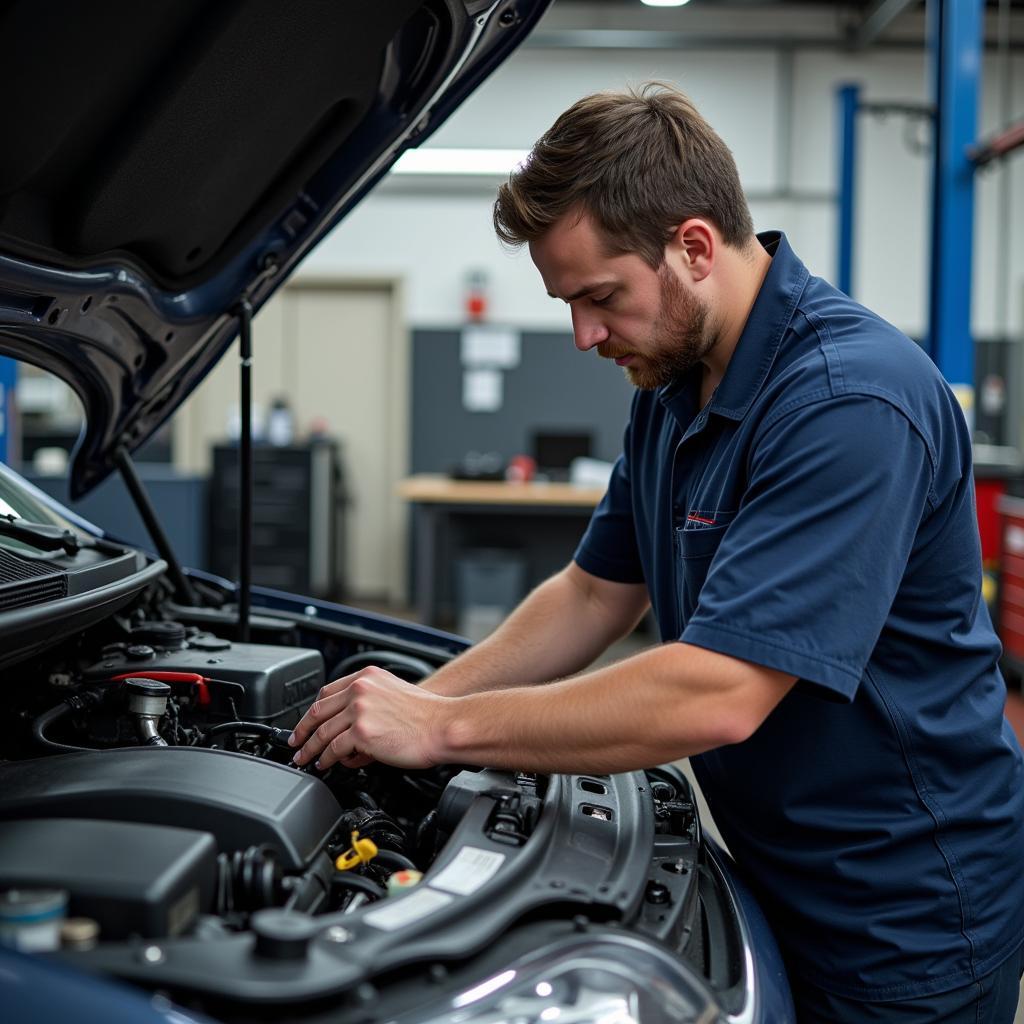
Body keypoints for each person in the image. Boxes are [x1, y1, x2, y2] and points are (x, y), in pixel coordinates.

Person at [289, 83, 1024, 1021]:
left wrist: (440, 731)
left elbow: (720, 691)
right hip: (774, 865)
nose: (585, 335)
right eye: (568, 303)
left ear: (693, 247)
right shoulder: (675, 389)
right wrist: (424, 701)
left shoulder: (850, 403)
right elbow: (594, 593)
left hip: (899, 910)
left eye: (601, 297)